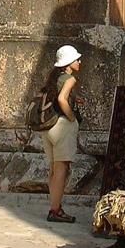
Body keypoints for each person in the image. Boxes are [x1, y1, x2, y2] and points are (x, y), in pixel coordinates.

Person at [40, 44, 84, 223]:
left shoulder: (53, 77)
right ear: (68, 63)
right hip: (62, 126)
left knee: (53, 170)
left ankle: (54, 205)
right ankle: (55, 210)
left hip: (47, 128)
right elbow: (61, 99)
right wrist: (72, 117)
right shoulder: (70, 79)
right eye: (76, 59)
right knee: (61, 170)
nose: (79, 62)